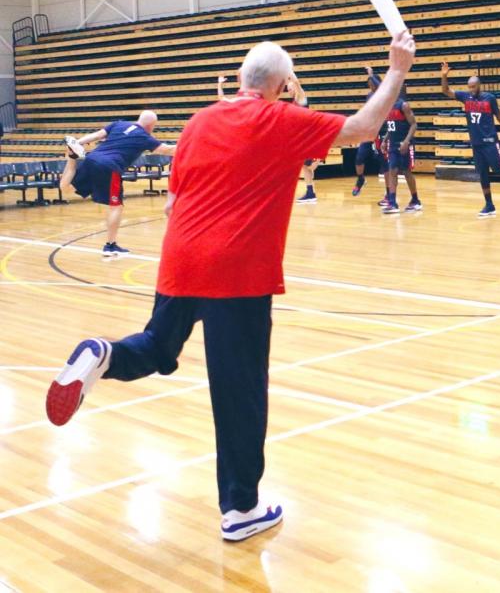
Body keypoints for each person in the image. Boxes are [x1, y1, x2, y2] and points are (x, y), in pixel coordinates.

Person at [45, 31, 418, 542]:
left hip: (181, 259)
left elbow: (175, 202)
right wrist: (397, 69)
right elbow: (362, 127)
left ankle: (102, 355)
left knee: (156, 347)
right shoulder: (281, 120)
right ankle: (241, 508)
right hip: (237, 273)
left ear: (241, 79)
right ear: (284, 85)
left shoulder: (199, 122)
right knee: (239, 393)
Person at [62, 112, 177, 257]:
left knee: (66, 189)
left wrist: (78, 143)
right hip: (110, 166)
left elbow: (96, 135)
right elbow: (168, 150)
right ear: (151, 126)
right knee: (116, 206)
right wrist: (191, 146)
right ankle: (110, 246)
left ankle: (72, 157)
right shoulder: (144, 137)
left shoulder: (119, 124)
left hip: (92, 159)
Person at [440, 62, 500, 218]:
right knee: (483, 174)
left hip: (489, 141)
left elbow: (499, 117)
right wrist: (444, 75)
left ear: (479, 86)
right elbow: (445, 90)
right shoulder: (465, 97)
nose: (471, 89)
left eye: (473, 86)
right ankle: (489, 205)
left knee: (498, 169)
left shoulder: (489, 98)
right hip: (476, 144)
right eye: (469, 87)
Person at [379, 86, 422, 214]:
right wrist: (385, 140)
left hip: (404, 144)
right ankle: (392, 203)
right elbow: (391, 127)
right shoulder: (387, 107)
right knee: (392, 171)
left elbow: (414, 124)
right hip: (392, 145)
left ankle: (415, 200)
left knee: (407, 172)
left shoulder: (403, 106)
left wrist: (407, 141)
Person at [352, 65, 387, 199]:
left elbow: (381, 88)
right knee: (359, 157)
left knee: (383, 161)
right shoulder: (369, 95)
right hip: (368, 130)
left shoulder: (382, 94)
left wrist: (371, 74)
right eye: (369, 84)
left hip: (380, 130)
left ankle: (388, 191)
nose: (370, 86)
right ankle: (360, 179)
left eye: (371, 83)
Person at [291, 77, 322, 205]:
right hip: (301, 137)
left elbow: (297, 83)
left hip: (308, 137)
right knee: (305, 166)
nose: (289, 90)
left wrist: (290, 73)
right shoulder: (294, 101)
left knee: (309, 165)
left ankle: (319, 158)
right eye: (287, 89)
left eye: (290, 88)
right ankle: (310, 193)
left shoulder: (301, 97)